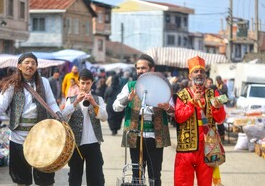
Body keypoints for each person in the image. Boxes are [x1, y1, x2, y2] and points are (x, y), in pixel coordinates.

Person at [0, 53, 62, 186]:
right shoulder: (12, 85)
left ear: (37, 66)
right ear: (19, 66)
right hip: (18, 138)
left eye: (33, 63)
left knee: (45, 179)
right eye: (27, 62)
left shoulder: (44, 82)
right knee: (21, 180)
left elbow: (52, 103)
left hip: (42, 137)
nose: (30, 65)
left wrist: (60, 118)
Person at [113, 54, 173, 186]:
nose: (140, 71)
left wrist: (167, 107)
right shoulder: (130, 86)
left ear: (152, 69)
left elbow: (174, 111)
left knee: (155, 176)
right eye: (138, 68)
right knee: (137, 176)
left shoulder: (162, 86)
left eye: (143, 68)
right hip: (135, 136)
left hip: (156, 137)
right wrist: (127, 99)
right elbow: (116, 107)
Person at [173, 56, 226, 186]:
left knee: (205, 183)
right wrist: (192, 103)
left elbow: (220, 119)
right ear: (190, 75)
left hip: (207, 146)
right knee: (183, 182)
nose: (199, 74)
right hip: (186, 147)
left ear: (206, 76)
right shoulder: (182, 95)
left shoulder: (214, 94)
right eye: (196, 71)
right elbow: (179, 117)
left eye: (202, 71)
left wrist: (218, 109)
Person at [62, 68, 108, 186]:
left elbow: (104, 117)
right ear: (79, 83)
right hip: (76, 145)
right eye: (82, 83)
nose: (85, 86)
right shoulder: (71, 100)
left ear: (92, 83)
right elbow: (63, 117)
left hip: (93, 144)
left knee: (96, 178)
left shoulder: (99, 99)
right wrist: (75, 102)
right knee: (74, 178)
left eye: (88, 83)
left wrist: (94, 103)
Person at [215, 75, 228, 142]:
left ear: (220, 80)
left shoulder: (224, 85)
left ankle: (222, 135)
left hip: (223, 100)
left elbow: (224, 92)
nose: (217, 81)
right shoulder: (217, 85)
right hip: (219, 101)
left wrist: (219, 90)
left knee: (221, 121)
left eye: (218, 80)